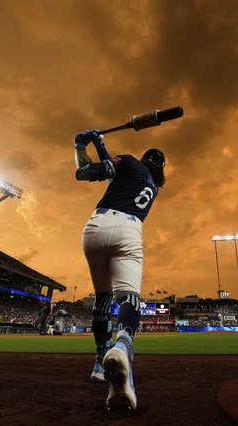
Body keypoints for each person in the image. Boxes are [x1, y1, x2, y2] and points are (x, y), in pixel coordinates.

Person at [74, 129, 165, 411]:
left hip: (96, 227)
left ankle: (99, 365)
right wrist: (101, 144)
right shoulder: (152, 185)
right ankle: (122, 344)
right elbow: (115, 169)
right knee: (128, 298)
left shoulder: (129, 161)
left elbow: (86, 172)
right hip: (129, 228)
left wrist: (81, 144)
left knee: (102, 300)